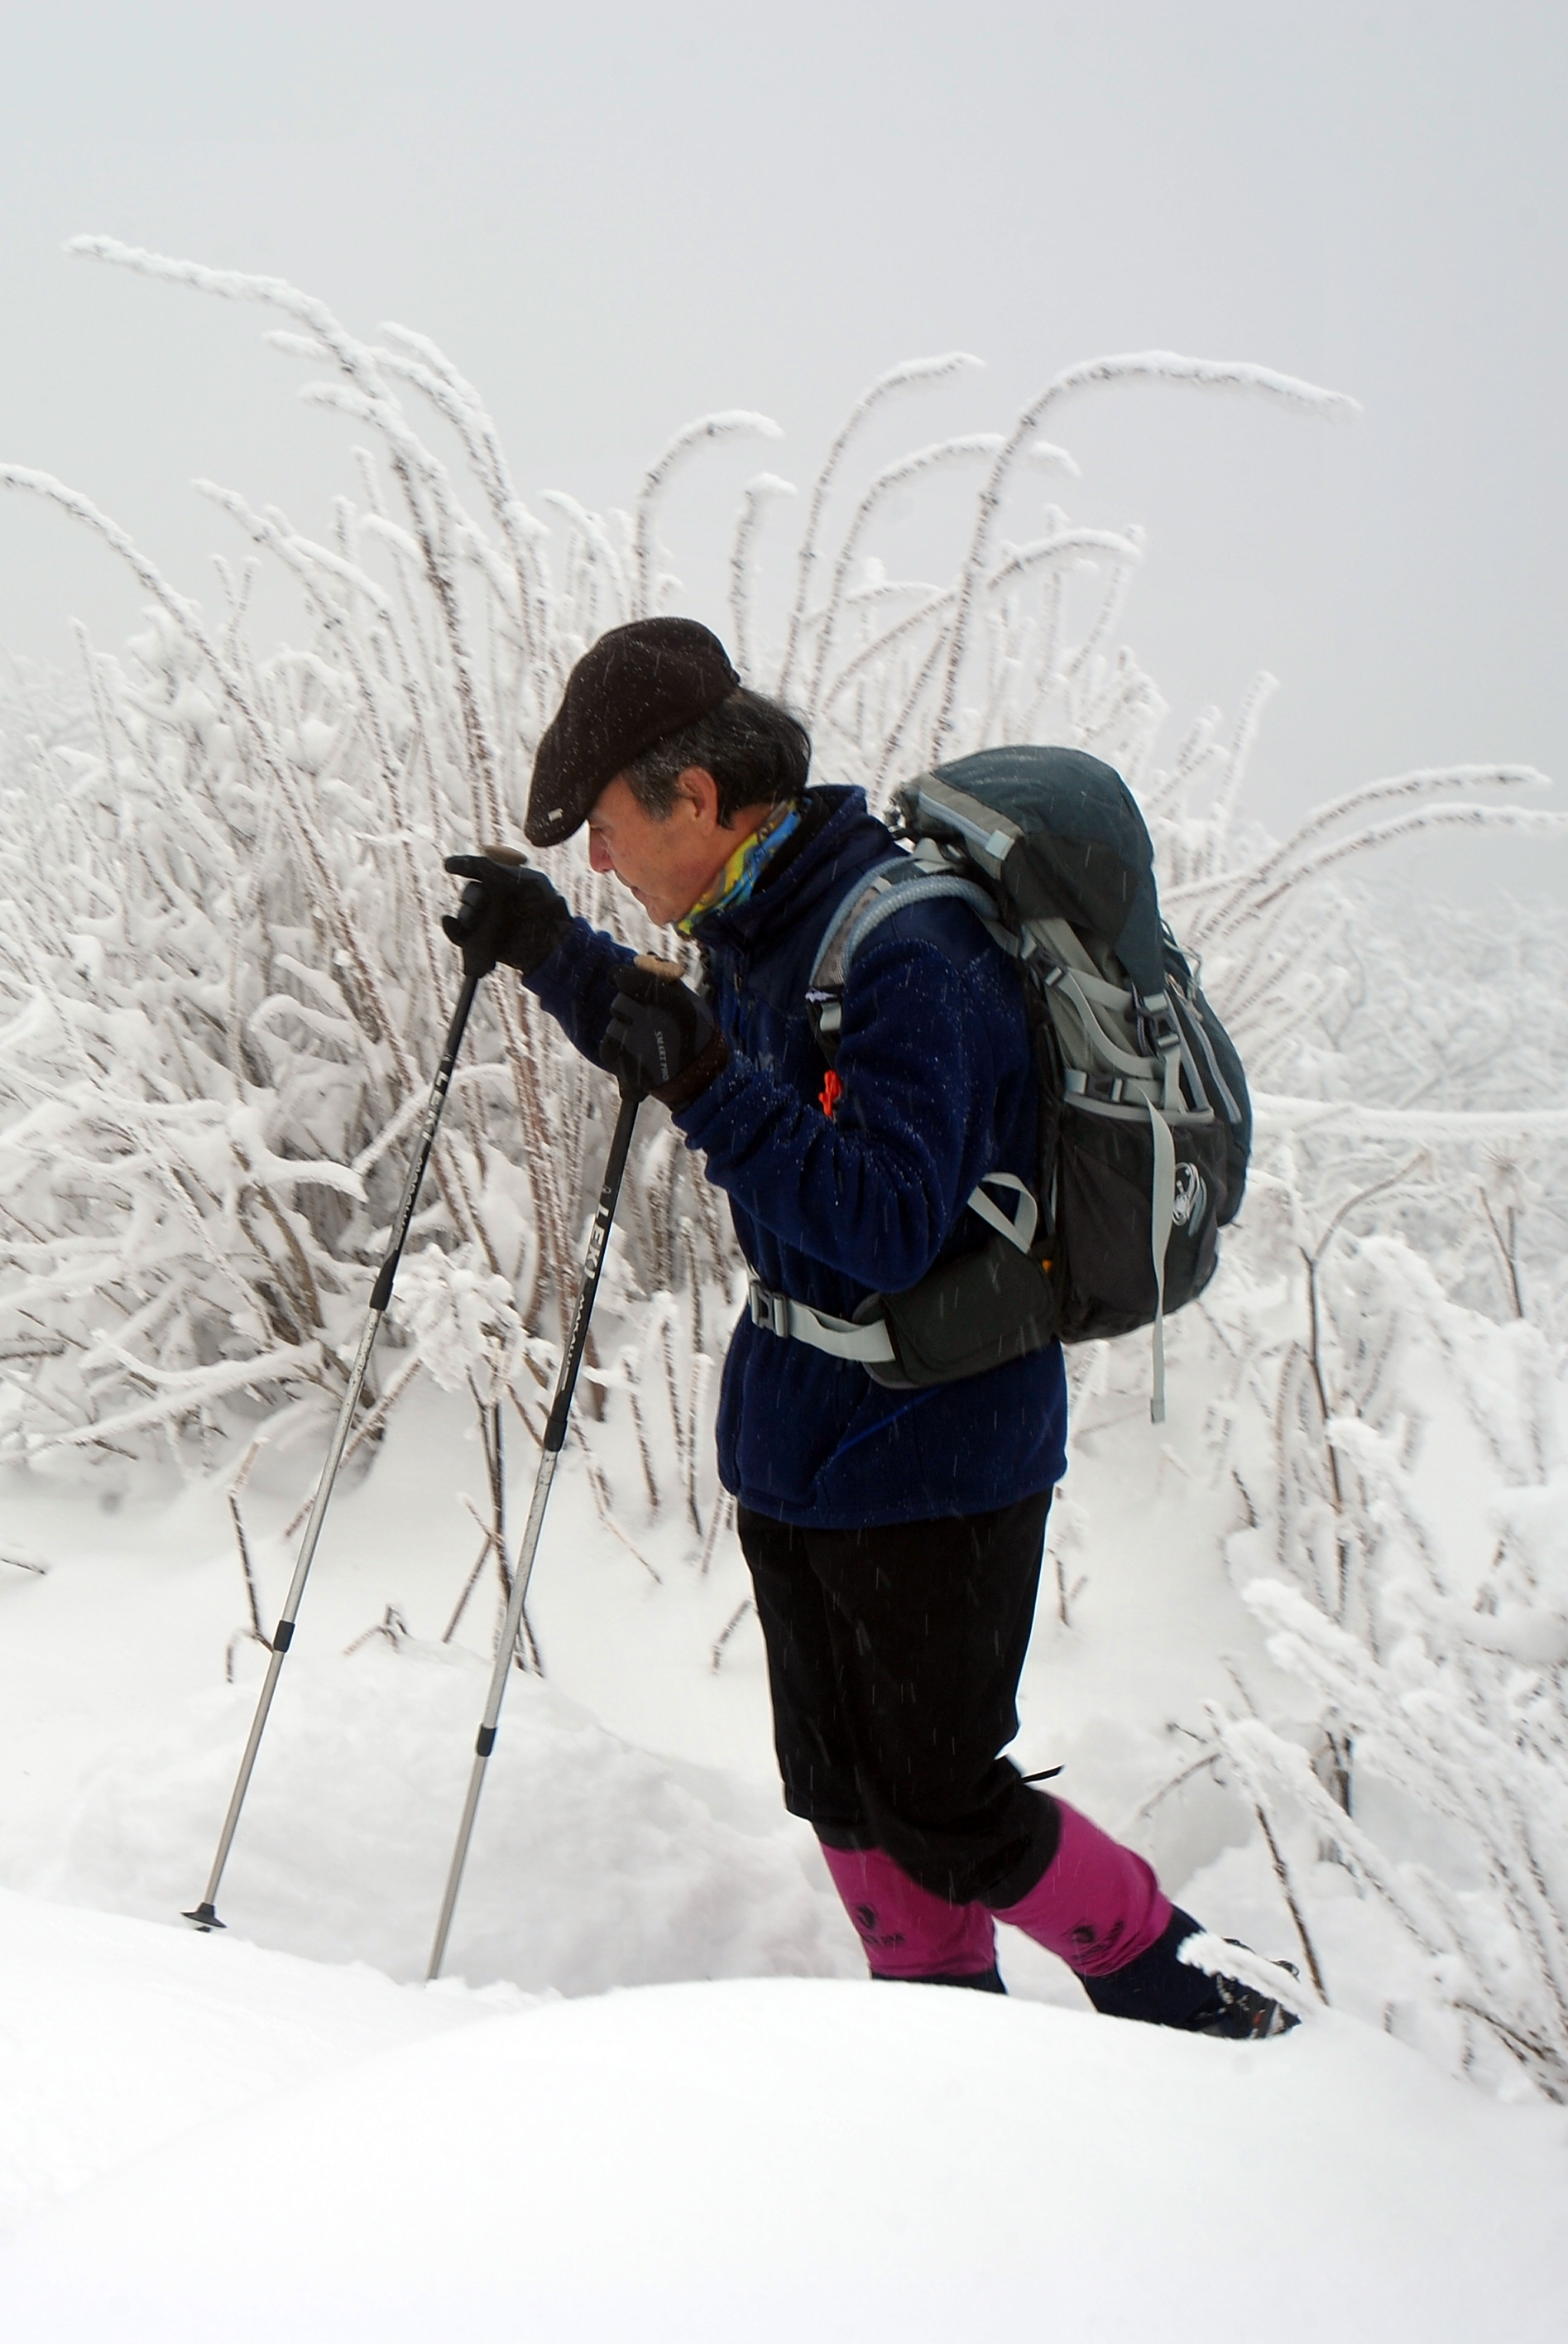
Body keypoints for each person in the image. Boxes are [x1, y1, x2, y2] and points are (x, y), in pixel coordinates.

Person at [441, 616, 1287, 2035]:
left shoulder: (911, 947)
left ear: (695, 797)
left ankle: (1205, 2004)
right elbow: (695, 1056)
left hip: (942, 1445)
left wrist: (703, 1075)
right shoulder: (759, 921)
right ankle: (942, 2042)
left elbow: (887, 1220)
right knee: (838, 1785)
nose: (601, 862)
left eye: (606, 832)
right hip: (802, 1434)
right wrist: (551, 954)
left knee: (942, 1800)